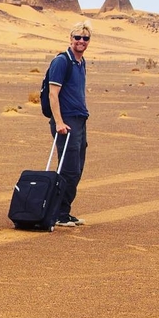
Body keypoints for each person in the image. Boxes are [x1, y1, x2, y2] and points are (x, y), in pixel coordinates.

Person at [47, 22, 91, 227]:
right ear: (70, 38)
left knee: (77, 168)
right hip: (66, 121)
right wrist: (58, 122)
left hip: (80, 119)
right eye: (77, 37)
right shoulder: (61, 61)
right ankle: (56, 213)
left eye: (85, 38)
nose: (81, 41)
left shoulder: (81, 62)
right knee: (68, 169)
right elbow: (52, 94)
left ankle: (64, 212)